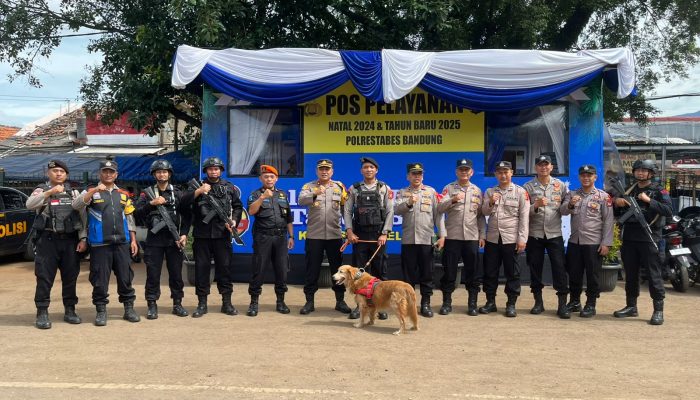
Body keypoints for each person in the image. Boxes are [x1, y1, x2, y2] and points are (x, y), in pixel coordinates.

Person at [72, 158, 140, 326]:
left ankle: (128, 308)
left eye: (111, 172)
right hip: (99, 244)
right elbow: (76, 206)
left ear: (116, 175)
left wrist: (133, 240)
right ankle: (101, 311)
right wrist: (94, 189)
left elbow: (130, 218)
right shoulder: (90, 191)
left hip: (122, 243)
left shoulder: (123, 194)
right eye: (105, 171)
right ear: (99, 173)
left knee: (125, 277)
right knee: (100, 279)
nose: (108, 174)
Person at [26, 160, 87, 329]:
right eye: (54, 171)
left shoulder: (74, 192)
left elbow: (82, 216)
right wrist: (49, 193)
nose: (58, 174)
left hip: (70, 241)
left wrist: (83, 238)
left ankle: (70, 310)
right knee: (44, 277)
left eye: (61, 171)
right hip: (48, 240)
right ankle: (42, 312)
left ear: (66, 174)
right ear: (48, 173)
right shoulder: (41, 190)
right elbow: (29, 205)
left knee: (70, 277)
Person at [611, 159, 672, 325]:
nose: (640, 173)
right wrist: (617, 202)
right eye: (638, 170)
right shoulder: (629, 190)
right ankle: (631, 306)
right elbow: (617, 210)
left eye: (644, 170)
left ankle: (658, 310)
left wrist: (648, 200)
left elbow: (668, 210)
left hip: (650, 237)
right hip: (630, 238)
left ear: (651, 173)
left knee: (654, 275)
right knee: (630, 274)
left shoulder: (659, 191)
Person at [182, 157, 243, 318]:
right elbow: (183, 204)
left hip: (222, 235)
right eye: (210, 169)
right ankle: (202, 304)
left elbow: (238, 206)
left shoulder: (229, 188)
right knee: (201, 270)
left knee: (225, 269)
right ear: (206, 171)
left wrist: (234, 220)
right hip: (201, 235)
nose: (213, 171)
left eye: (216, 169)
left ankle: (227, 303)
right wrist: (199, 192)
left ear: (221, 170)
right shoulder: (197, 187)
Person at [134, 159, 192, 319]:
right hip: (154, 241)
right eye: (158, 172)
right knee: (153, 274)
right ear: (154, 174)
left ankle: (177, 303)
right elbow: (136, 214)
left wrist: (184, 234)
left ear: (169, 174)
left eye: (165, 171)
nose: (162, 174)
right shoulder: (146, 193)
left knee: (176, 274)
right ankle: (152, 304)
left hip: (174, 241)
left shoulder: (178, 193)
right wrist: (151, 204)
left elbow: (188, 216)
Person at [297, 159, 352, 315]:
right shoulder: (309, 186)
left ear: (332, 171)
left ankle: (340, 301)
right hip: (314, 236)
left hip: (335, 235)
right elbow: (300, 200)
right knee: (312, 269)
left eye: (327, 169)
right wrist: (315, 193)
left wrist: (348, 230)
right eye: (321, 169)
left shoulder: (339, 187)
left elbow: (346, 210)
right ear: (317, 171)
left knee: (338, 270)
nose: (324, 171)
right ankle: (309, 302)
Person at [344, 156, 394, 320]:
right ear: (361, 170)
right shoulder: (355, 188)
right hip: (360, 236)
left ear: (376, 170)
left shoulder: (384, 188)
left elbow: (389, 211)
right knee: (359, 273)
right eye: (365, 167)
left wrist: (385, 232)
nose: (368, 170)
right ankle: (359, 306)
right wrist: (350, 232)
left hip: (378, 236)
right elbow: (347, 211)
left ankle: (381, 307)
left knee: (380, 271)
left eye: (371, 168)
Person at [560, 165, 614, 318]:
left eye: (589, 175)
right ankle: (575, 301)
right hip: (575, 242)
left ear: (595, 177)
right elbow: (562, 211)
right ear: (579, 177)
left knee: (593, 275)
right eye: (583, 175)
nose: (586, 178)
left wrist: (606, 243)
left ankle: (591, 304)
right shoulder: (573, 194)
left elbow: (608, 221)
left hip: (593, 243)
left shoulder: (603, 197)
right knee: (574, 273)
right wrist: (570, 204)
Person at [394, 162, 446, 318]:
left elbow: (438, 215)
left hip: (426, 239)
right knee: (408, 275)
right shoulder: (403, 193)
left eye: (419, 174)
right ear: (408, 176)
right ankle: (409, 304)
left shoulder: (430, 192)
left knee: (427, 273)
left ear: (422, 176)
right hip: (409, 240)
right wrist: (409, 202)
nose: (417, 177)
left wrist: (442, 235)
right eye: (413, 174)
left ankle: (425, 303)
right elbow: (397, 210)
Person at [522, 155, 570, 318]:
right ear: (536, 167)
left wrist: (569, 205)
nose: (543, 167)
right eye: (540, 165)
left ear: (551, 167)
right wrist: (535, 205)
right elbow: (523, 213)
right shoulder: (528, 187)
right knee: (535, 268)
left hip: (554, 233)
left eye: (546, 165)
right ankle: (538, 302)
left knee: (559, 268)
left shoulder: (560, 185)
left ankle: (562, 304)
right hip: (535, 234)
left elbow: (565, 209)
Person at [479, 161, 529, 317]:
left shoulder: (520, 192)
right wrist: (491, 201)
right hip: (493, 238)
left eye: (505, 172)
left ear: (511, 173)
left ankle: (511, 304)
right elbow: (484, 212)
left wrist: (522, 239)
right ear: (495, 174)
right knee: (490, 271)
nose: (503, 175)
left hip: (511, 238)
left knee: (512, 272)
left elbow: (524, 217)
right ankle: (490, 302)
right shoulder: (489, 191)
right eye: (499, 172)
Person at [436, 158, 486, 316]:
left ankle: (472, 304)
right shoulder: (448, 188)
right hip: (453, 237)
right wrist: (452, 200)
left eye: (467, 170)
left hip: (471, 236)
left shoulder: (477, 190)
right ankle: (446, 303)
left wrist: (482, 235)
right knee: (449, 271)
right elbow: (440, 209)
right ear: (456, 172)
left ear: (471, 172)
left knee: (473, 272)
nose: (464, 172)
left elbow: (480, 216)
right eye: (461, 170)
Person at [246, 165, 294, 317]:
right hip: (263, 238)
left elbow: (288, 218)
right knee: (258, 269)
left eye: (272, 177)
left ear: (276, 178)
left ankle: (280, 301)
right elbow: (251, 211)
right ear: (261, 179)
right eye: (266, 176)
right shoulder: (256, 194)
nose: (269, 179)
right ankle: (254, 302)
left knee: (282, 270)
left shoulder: (282, 195)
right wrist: (262, 198)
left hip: (281, 238)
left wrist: (291, 236)